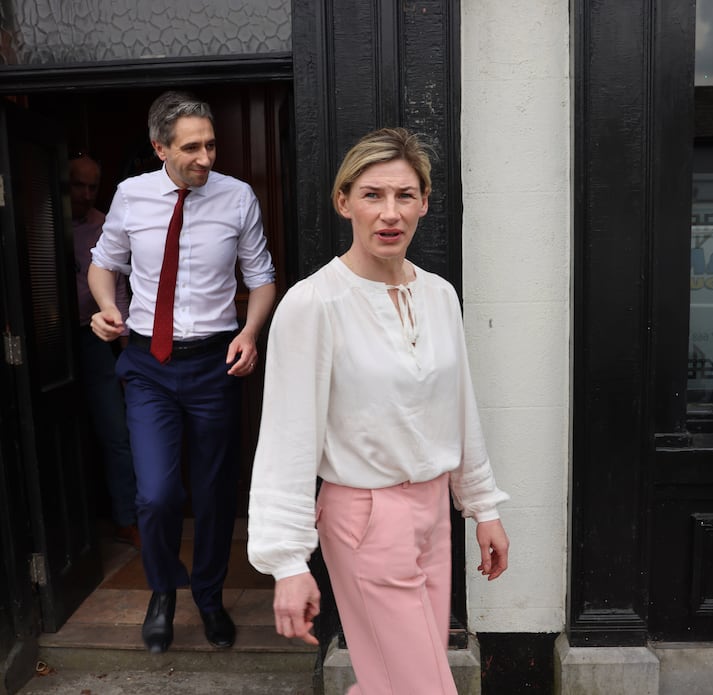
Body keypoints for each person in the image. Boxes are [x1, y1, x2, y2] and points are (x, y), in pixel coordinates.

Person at [247, 127, 510, 695]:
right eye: (372, 195)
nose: (390, 213)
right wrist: (289, 562)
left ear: (424, 203)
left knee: (396, 681)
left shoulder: (439, 294)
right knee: (422, 688)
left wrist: (482, 505)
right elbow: (288, 437)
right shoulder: (313, 303)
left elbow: (459, 407)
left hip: (433, 511)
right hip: (363, 517)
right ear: (343, 202)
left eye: (404, 195)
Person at [88, 91, 277, 654]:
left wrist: (250, 332)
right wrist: (104, 306)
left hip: (214, 365)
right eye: (191, 147)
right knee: (158, 494)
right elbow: (104, 262)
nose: (206, 158)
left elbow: (262, 277)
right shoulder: (131, 195)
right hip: (148, 363)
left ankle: (210, 597)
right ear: (159, 148)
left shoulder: (237, 197)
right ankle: (164, 591)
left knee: (216, 492)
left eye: (211, 144)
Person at [69, 153, 140, 549]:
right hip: (45, 344)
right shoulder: (38, 223)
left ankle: (125, 518)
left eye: (92, 186)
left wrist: (127, 345)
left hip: (97, 339)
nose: (85, 193)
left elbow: (119, 288)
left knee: (115, 430)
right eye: (77, 184)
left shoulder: (103, 226)